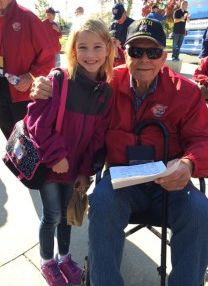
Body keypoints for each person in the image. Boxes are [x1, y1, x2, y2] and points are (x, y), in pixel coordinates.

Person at [30, 18, 208, 286]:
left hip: (168, 181)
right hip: (121, 180)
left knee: (200, 214)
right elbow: (72, 80)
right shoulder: (107, 83)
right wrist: (46, 86)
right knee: (103, 203)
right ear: (124, 53)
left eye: (153, 52)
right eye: (136, 51)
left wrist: (189, 164)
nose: (144, 59)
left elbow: (207, 141)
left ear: (164, 56)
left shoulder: (185, 91)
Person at [27, 16, 115, 286]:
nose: (90, 54)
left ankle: (63, 256)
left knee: (66, 214)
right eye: (83, 47)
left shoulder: (105, 92)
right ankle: (46, 261)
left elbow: (97, 138)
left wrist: (86, 171)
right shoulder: (60, 80)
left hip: (74, 168)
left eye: (97, 47)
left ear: (108, 49)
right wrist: (56, 156)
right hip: (50, 164)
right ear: (73, 48)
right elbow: (37, 124)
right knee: (52, 214)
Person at [0, 0, 55, 140]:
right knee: (12, 144)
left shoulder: (28, 18)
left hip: (23, 94)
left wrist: (31, 76)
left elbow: (49, 55)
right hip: (1, 91)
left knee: (30, 144)